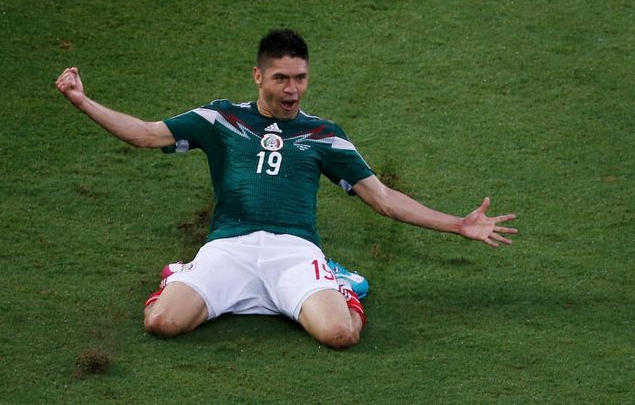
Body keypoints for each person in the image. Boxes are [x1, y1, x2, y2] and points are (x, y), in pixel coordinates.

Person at [55, 29, 517, 349]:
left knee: (341, 336)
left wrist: (458, 224)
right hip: (228, 247)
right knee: (160, 324)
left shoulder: (323, 135)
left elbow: (384, 198)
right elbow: (143, 132)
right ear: (258, 76)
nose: (293, 89)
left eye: (300, 78)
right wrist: (81, 101)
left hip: (294, 252)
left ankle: (337, 284)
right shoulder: (220, 119)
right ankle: (183, 274)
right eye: (281, 78)